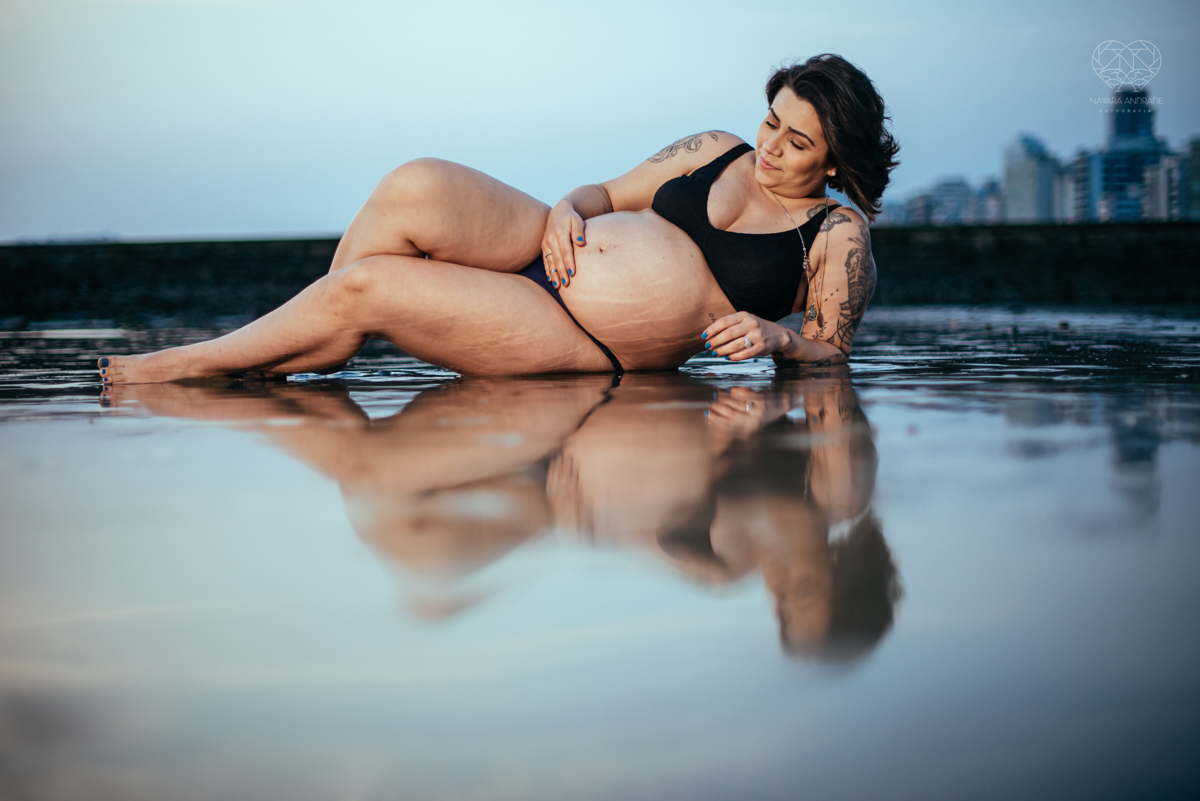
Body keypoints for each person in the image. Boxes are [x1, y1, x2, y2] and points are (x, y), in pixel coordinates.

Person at [97, 54, 899, 385]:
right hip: (545, 241)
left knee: (368, 287)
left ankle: (184, 366)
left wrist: (776, 339)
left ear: (834, 162)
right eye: (771, 121)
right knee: (412, 183)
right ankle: (313, 337)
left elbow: (830, 356)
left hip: (583, 333)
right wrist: (563, 209)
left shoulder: (837, 235)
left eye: (797, 143)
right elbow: (602, 193)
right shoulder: (716, 148)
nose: (770, 148)